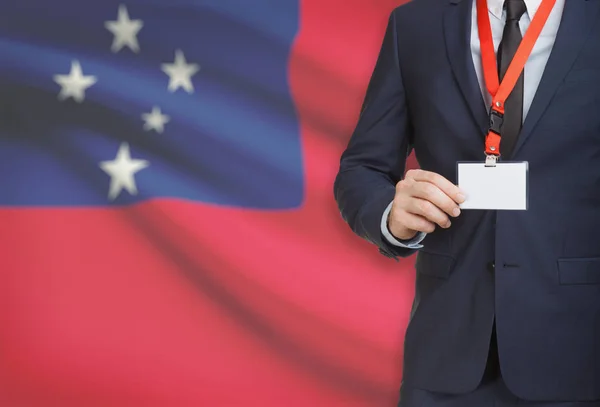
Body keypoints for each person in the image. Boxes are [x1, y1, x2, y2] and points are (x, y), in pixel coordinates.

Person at [333, 0, 600, 405]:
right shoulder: (415, 25)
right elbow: (361, 167)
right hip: (445, 356)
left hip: (580, 353)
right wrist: (390, 214)